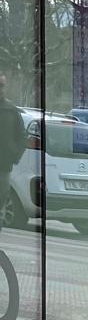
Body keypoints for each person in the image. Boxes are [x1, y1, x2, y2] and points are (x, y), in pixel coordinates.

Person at [0, 76, 25, 232]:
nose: (0, 89)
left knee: (1, 195)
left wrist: (14, 155)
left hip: (4, 165)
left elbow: (22, 136)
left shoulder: (11, 110)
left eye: (2, 85)